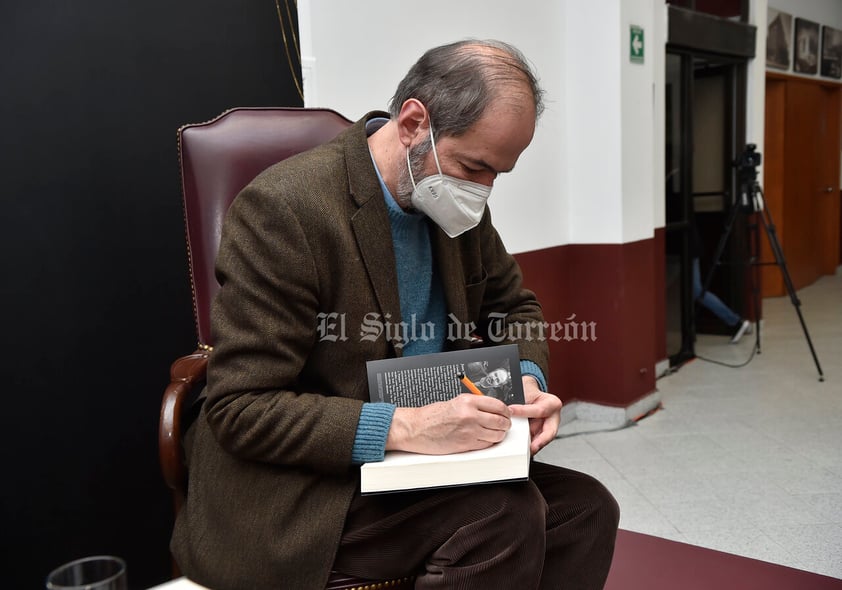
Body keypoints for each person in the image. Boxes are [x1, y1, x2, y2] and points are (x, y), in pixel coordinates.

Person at [171, 39, 619, 590]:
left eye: (497, 174)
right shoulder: (286, 210)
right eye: (474, 166)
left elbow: (514, 307)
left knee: (590, 509)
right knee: (505, 518)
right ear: (413, 123)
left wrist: (526, 377)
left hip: (424, 458)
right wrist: (407, 427)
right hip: (308, 483)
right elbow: (243, 409)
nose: (482, 192)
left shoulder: (453, 203)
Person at [690, 220, 752, 343]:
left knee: (696, 291)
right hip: (687, 247)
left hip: (686, 248)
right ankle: (736, 322)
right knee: (694, 291)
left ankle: (735, 322)